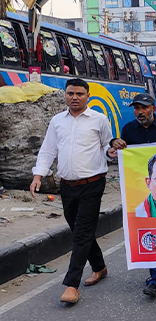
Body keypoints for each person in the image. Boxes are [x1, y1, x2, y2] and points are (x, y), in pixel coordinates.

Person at [30, 78, 113, 305]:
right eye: (70, 93)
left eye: (79, 93)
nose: (74, 97)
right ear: (65, 95)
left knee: (82, 232)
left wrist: (112, 152)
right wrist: (38, 175)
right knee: (78, 230)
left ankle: (71, 285)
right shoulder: (57, 121)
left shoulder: (99, 119)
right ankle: (99, 266)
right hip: (67, 185)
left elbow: (107, 146)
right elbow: (48, 150)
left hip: (93, 184)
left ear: (87, 96)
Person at [109, 93, 156, 298]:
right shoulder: (129, 130)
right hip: (143, 187)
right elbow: (125, 155)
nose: (140, 112)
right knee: (152, 226)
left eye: (144, 107)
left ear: (153, 109)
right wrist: (115, 144)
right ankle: (155, 277)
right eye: (137, 108)